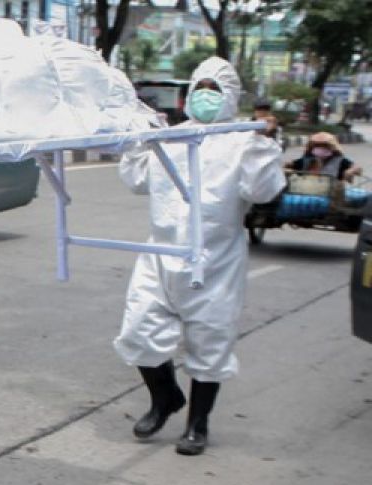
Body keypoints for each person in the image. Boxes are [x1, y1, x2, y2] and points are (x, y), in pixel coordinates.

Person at [114, 57, 285, 456]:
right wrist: (138, 142)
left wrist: (262, 147)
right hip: (161, 252)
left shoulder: (244, 141)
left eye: (215, 88)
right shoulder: (171, 137)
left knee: (209, 342)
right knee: (138, 331)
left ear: (230, 97)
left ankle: (198, 424)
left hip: (215, 259)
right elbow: (137, 181)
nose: (206, 95)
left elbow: (264, 191)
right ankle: (165, 398)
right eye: (201, 87)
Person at [286, 132, 363, 183]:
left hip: (332, 196)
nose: (321, 148)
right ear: (311, 147)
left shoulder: (340, 161)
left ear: (332, 147)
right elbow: (289, 165)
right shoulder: (306, 160)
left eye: (324, 146)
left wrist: (351, 171)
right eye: (317, 146)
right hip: (306, 194)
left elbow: (357, 168)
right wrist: (287, 167)